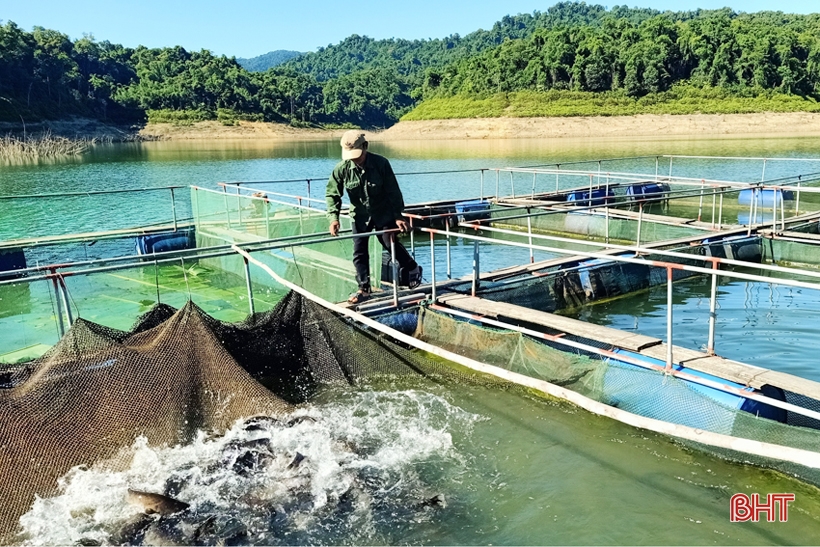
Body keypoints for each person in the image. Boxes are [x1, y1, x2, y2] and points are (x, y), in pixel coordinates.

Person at [326, 130, 422, 304]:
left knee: (389, 243)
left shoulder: (381, 164)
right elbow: (333, 194)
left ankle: (412, 267)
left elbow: (393, 191)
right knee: (359, 251)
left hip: (382, 212)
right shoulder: (342, 169)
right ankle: (364, 288)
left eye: (357, 154)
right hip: (360, 216)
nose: (355, 159)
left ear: (365, 147)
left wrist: (398, 216)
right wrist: (334, 218)